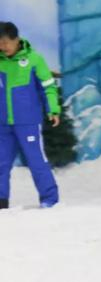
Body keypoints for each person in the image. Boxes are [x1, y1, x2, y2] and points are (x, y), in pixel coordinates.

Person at [0, 22, 60, 209]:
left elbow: (48, 86)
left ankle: (49, 199)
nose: (2, 47)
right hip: (3, 124)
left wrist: (53, 109)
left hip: (28, 122)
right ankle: (1, 201)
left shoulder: (34, 59)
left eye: (5, 43)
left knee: (36, 161)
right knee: (1, 163)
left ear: (16, 39)